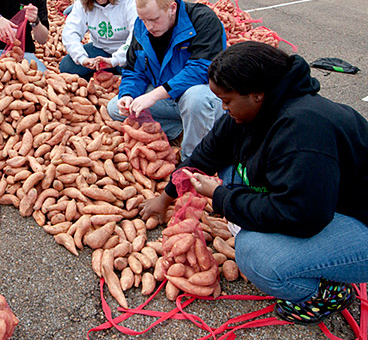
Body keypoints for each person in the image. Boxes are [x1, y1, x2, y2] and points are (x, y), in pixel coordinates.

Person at [141, 41, 368, 326]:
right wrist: (166, 197)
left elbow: (302, 216)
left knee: (257, 256)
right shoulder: (250, 112)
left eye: (227, 100)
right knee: (230, 173)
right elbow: (206, 154)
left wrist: (222, 197)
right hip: (324, 197)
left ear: (257, 94)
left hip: (358, 219)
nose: (223, 108)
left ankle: (327, 292)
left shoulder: (303, 129)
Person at [107, 0, 225, 159]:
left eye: (154, 19)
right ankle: (180, 130)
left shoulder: (203, 20)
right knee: (115, 108)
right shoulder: (142, 26)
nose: (148, 27)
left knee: (196, 100)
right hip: (168, 99)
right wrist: (128, 95)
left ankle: (193, 160)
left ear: (172, 8)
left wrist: (154, 95)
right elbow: (133, 70)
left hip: (202, 95)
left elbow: (202, 69)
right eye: (143, 20)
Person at [61, 0, 136, 80]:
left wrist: (115, 60)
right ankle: (104, 73)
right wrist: (82, 59)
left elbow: (135, 36)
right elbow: (70, 31)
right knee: (66, 66)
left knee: (139, 71)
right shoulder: (85, 1)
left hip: (127, 52)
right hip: (100, 50)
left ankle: (115, 72)